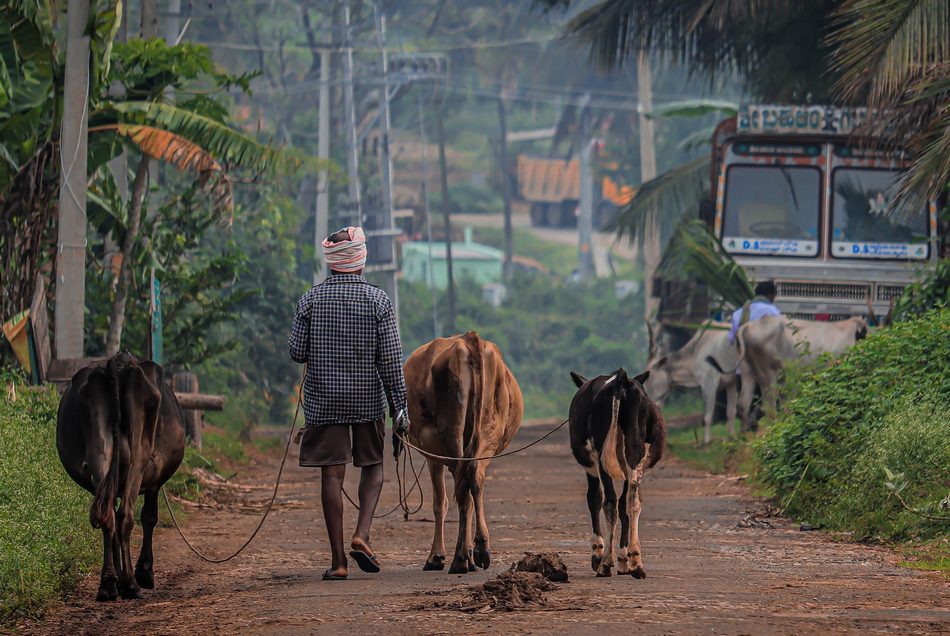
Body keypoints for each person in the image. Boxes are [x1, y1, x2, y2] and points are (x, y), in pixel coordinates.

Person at [288, 226, 410, 581]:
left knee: (333, 473)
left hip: (324, 401)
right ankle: (362, 534)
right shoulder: (378, 300)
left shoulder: (310, 299)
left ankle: (339, 562)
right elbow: (389, 360)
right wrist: (399, 407)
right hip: (367, 402)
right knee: (373, 465)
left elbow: (296, 352)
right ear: (360, 260)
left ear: (332, 261)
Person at [728, 280, 782, 344]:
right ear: (769, 294)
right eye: (774, 295)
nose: (774, 298)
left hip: (741, 350)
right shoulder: (773, 311)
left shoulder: (738, 312)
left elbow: (731, 339)